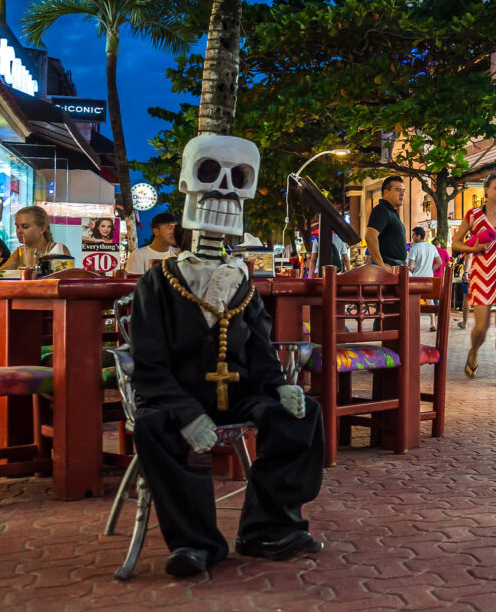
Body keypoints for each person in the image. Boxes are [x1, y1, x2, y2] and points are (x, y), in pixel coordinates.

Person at [131, 133, 323, 578]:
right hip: (178, 395)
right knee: (153, 427)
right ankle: (195, 542)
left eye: (239, 180)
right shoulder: (158, 283)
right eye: (209, 176)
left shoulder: (241, 282)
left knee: (300, 416)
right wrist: (185, 413)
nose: (223, 191)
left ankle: (270, 528)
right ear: (187, 188)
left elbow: (260, 350)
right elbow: (149, 367)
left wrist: (279, 385)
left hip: (238, 394)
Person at [452, 173, 496, 387]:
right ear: (487, 190)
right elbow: (455, 244)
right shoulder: (472, 215)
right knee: (481, 326)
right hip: (482, 272)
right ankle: (473, 352)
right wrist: (473, 248)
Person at [0, 206, 71, 270]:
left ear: (42, 228)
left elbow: (66, 281)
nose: (19, 231)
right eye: (17, 226)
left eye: (25, 227)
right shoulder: (20, 252)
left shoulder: (58, 250)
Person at [364, 176, 407, 268]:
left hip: (396, 268)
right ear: (386, 192)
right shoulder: (382, 210)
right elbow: (370, 236)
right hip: (388, 269)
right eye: (398, 190)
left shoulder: (391, 212)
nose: (402, 193)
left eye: (404, 190)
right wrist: (382, 265)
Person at [407, 227, 442, 331]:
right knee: (430, 301)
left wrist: (414, 271)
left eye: (413, 235)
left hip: (417, 279)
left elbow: (410, 266)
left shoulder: (414, 248)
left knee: (414, 301)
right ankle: (432, 324)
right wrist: (430, 269)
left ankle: (413, 324)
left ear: (418, 236)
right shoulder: (432, 247)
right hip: (429, 278)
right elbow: (439, 262)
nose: (412, 237)